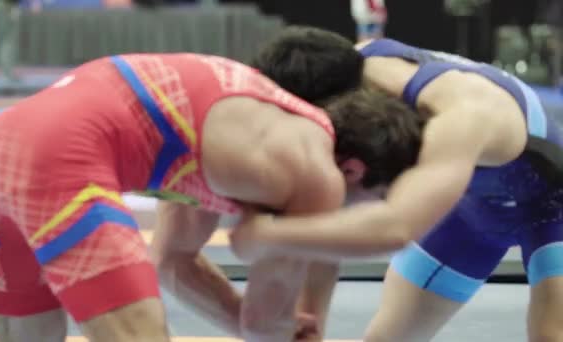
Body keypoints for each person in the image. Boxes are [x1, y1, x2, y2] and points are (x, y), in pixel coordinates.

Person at [0, 52, 348, 342]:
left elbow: (173, 261)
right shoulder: (299, 151)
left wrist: (246, 321)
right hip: (57, 155)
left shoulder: (228, 119)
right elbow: (267, 323)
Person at [232, 26, 563, 341]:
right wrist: (310, 323)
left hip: (553, 204)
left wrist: (265, 233)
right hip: (468, 208)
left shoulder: (461, 114)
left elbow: (395, 229)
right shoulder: (341, 68)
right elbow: (326, 212)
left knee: (550, 336)